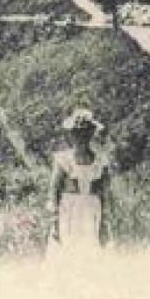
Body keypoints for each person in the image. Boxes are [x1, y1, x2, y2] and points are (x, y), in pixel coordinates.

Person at [47, 108, 112, 258]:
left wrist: (103, 224)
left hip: (91, 210)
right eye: (77, 134)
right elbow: (54, 191)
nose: (81, 138)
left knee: (91, 249)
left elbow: (104, 194)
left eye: (85, 133)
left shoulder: (100, 162)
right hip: (70, 211)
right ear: (72, 135)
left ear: (91, 134)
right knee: (69, 249)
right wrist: (55, 223)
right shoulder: (64, 160)